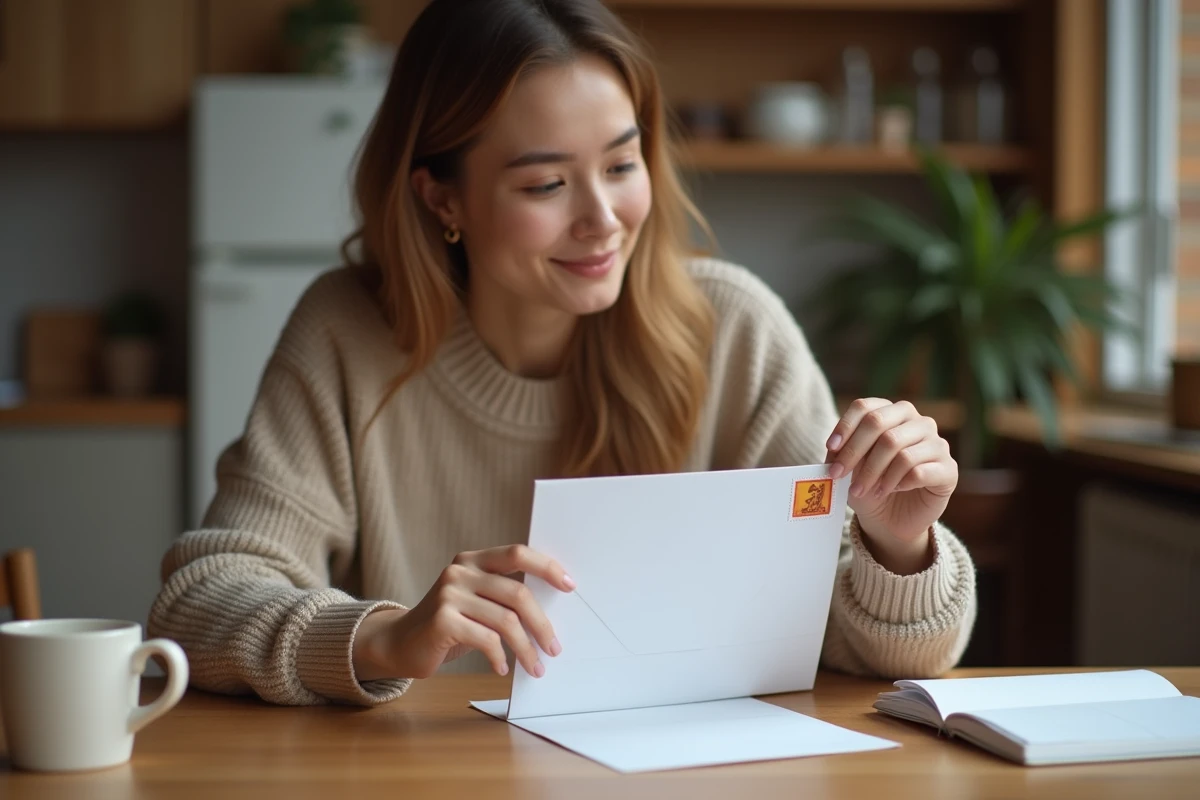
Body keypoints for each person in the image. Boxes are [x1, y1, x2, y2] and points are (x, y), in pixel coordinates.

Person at [149, 0, 976, 706]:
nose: (603, 218)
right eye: (546, 184)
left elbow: (896, 658)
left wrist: (896, 546)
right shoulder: (348, 334)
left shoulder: (736, 331)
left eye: (622, 163)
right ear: (442, 197)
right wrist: (376, 639)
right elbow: (195, 603)